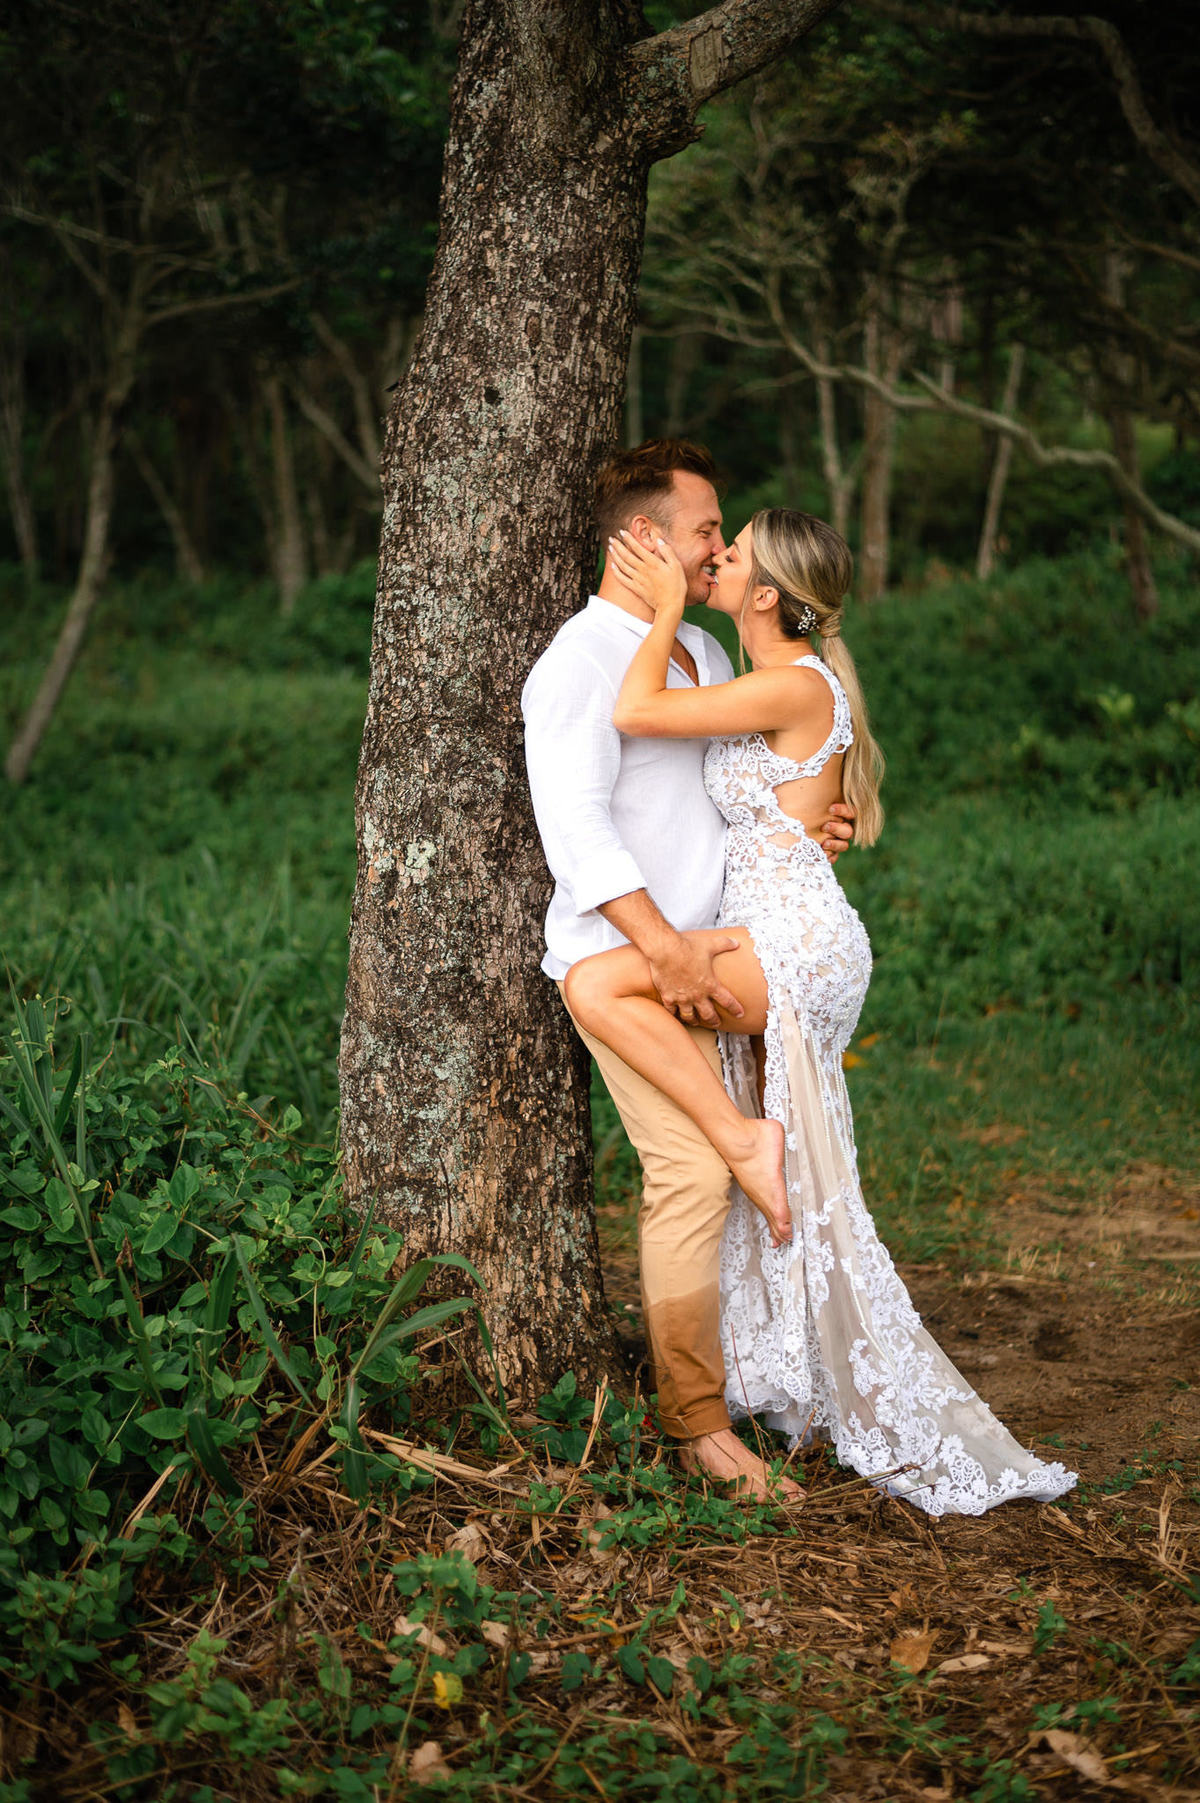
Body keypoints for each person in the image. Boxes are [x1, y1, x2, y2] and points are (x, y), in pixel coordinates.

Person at [564, 510, 1077, 1517]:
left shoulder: (791, 679)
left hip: (796, 942)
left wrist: (663, 605)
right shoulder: (770, 678)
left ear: (765, 593)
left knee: (599, 981)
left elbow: (633, 712)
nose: (715, 556)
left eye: (733, 550)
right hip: (777, 922)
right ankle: (772, 1342)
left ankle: (740, 1146)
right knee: (609, 985)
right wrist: (817, 820)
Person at [521, 441, 854, 1499]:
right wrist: (657, 949)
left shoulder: (705, 657)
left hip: (720, 954)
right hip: (633, 963)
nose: (718, 551)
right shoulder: (577, 662)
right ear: (647, 541)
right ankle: (698, 1422)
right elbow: (573, 821)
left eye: (722, 537)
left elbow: (729, 790)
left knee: (738, 1190)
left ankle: (766, 1381)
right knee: (695, 1176)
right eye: (708, 530)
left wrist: (813, 823)